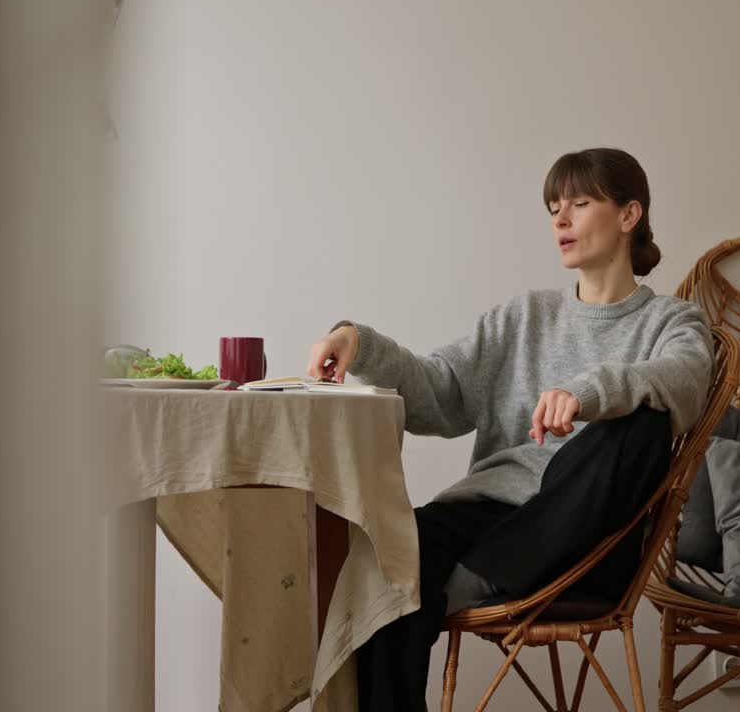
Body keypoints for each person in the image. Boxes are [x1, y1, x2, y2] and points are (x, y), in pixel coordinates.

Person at [306, 147, 714, 711]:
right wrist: (358, 341)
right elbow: (439, 393)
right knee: (387, 560)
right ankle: (474, 573)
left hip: (587, 542)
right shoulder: (521, 319)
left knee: (645, 420)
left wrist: (587, 392)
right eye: (553, 208)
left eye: (579, 202)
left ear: (629, 215)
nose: (561, 220)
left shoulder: (672, 321)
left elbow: (686, 381)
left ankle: (483, 572)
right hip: (485, 514)